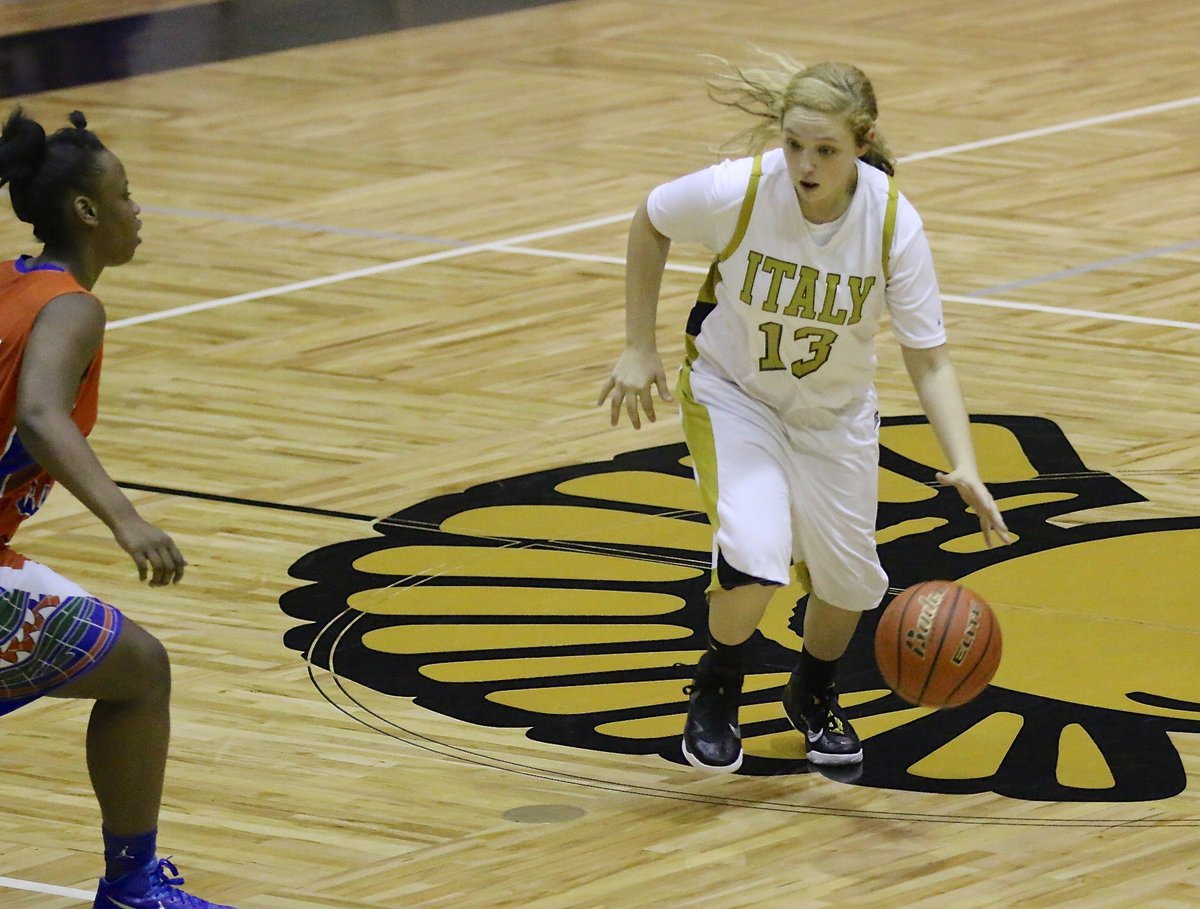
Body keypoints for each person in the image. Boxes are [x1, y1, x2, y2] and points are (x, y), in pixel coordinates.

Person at [597, 55, 1011, 773]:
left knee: (850, 582)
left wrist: (966, 460)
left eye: (825, 150)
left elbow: (929, 355)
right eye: (794, 145)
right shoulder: (745, 190)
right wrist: (638, 344)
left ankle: (812, 692)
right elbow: (651, 218)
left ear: (861, 143)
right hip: (735, 393)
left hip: (835, 413)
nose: (805, 165)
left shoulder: (891, 222)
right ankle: (718, 685)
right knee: (754, 556)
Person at [0, 107, 234, 908]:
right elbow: (39, 412)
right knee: (141, 672)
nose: (141, 211)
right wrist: (124, 517)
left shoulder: (9, 279)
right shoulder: (71, 306)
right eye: (127, 195)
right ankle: (133, 887)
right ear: (87, 212)